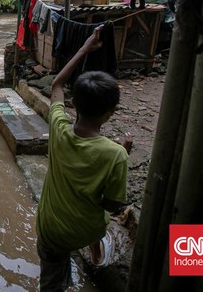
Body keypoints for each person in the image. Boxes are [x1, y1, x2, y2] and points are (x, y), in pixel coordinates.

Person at [35, 25, 132, 291]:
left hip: (52, 230)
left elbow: (57, 84)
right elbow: (112, 206)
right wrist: (123, 150)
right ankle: (97, 254)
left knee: (51, 282)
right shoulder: (116, 155)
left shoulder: (58, 128)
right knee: (95, 216)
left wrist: (85, 47)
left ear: (73, 104)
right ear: (111, 112)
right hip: (86, 230)